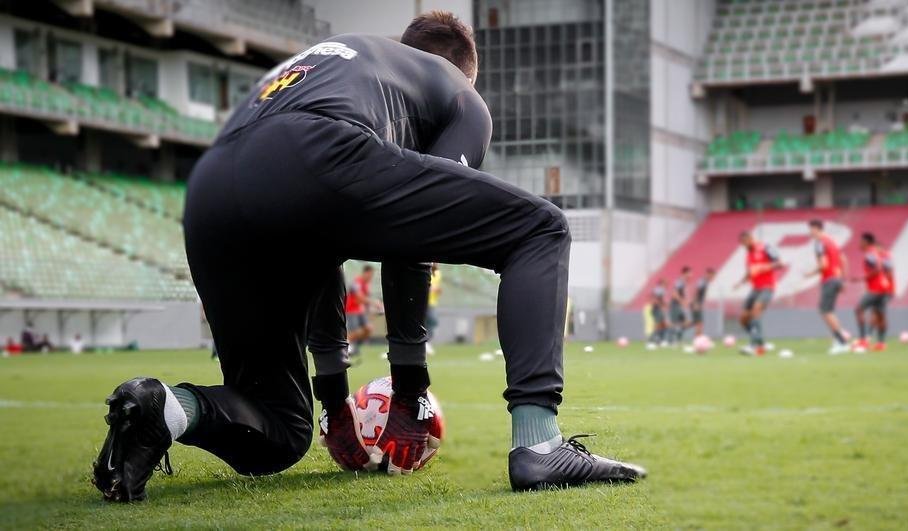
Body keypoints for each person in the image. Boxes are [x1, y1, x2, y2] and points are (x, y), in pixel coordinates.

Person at [92, 13, 643, 503]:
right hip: (312, 154)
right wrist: (408, 392)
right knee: (540, 228)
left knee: (279, 431)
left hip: (212, 190)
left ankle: (163, 407)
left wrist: (334, 403)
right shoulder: (458, 89)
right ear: (464, 70)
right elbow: (415, 243)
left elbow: (317, 241)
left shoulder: (339, 62)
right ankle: (539, 444)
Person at [806, 219, 852, 355]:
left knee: (825, 311)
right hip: (836, 278)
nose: (809, 232)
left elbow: (823, 265)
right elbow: (843, 259)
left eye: (810, 229)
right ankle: (839, 340)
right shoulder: (832, 241)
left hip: (829, 279)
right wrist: (843, 279)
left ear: (816, 228)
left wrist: (810, 273)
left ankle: (842, 342)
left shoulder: (819, 243)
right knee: (829, 311)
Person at [736, 231, 783, 356]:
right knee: (743, 319)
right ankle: (761, 342)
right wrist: (741, 282)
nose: (744, 246)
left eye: (745, 242)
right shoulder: (748, 254)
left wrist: (762, 267)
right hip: (755, 289)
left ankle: (753, 345)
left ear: (751, 238)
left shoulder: (766, 247)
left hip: (767, 287)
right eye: (742, 244)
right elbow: (750, 271)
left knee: (756, 309)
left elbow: (780, 263)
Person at [853, 232, 892, 352]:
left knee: (858, 309)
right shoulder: (877, 252)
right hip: (884, 288)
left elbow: (878, 268)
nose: (859, 244)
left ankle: (863, 340)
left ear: (866, 242)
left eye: (861, 241)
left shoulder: (870, 253)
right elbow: (885, 268)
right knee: (880, 315)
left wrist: (861, 278)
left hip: (875, 289)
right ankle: (881, 343)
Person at [344, 264, 379, 357]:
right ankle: (346, 346)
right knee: (353, 332)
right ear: (366, 273)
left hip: (360, 311)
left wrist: (371, 309)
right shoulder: (357, 282)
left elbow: (364, 300)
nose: (371, 277)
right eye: (370, 274)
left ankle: (352, 347)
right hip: (351, 310)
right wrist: (374, 303)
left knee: (368, 329)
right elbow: (359, 298)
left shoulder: (366, 285)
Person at [669, 266, 692, 344]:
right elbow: (674, 294)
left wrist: (686, 301)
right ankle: (670, 341)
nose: (691, 275)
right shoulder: (679, 282)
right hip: (675, 305)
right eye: (690, 273)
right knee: (675, 323)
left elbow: (682, 294)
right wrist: (682, 302)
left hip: (680, 306)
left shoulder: (683, 283)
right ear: (685, 273)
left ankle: (677, 339)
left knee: (686, 323)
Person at [690, 268, 715, 337]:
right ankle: (698, 338)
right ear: (708, 274)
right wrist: (695, 303)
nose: (713, 278)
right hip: (696, 303)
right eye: (712, 276)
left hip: (698, 303)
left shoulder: (705, 282)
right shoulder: (702, 281)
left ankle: (698, 338)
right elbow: (696, 291)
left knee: (698, 322)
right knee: (699, 322)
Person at [425, 264, 442, 355]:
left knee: (433, 321)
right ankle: (424, 342)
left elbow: (437, 287)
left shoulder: (438, 273)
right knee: (427, 321)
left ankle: (426, 341)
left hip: (432, 302)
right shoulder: (424, 270)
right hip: (423, 301)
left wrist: (438, 290)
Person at [649, 278, 668, 345]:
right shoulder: (659, 289)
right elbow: (655, 300)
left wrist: (664, 305)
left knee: (663, 324)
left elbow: (660, 300)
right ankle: (651, 340)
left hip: (658, 309)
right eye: (665, 283)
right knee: (658, 324)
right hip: (657, 309)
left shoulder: (661, 290)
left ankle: (661, 339)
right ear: (662, 283)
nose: (666, 285)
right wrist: (661, 306)